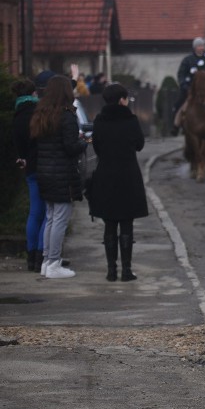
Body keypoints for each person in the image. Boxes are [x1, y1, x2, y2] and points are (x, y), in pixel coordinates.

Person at [87, 83, 149, 282]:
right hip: (128, 175)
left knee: (109, 223)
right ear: (122, 100)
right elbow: (139, 144)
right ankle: (126, 270)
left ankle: (111, 271)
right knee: (127, 223)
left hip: (105, 174)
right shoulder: (130, 120)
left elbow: (96, 146)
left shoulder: (99, 121)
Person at [30, 75, 89, 279]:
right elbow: (71, 147)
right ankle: (54, 263)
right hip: (62, 173)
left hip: (44, 171)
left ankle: (47, 261)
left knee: (50, 217)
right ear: (65, 91)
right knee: (60, 219)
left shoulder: (41, 113)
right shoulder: (67, 115)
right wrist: (85, 142)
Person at [12, 77, 45, 272]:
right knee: (49, 214)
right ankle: (42, 255)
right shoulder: (38, 113)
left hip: (29, 168)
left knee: (34, 212)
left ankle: (31, 256)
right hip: (44, 166)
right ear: (33, 93)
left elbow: (18, 144)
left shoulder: (17, 115)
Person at [172, 37, 205, 135]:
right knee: (179, 106)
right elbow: (181, 74)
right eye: (199, 46)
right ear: (195, 47)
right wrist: (184, 85)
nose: (201, 48)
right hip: (190, 90)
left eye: (202, 46)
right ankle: (176, 125)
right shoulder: (188, 60)